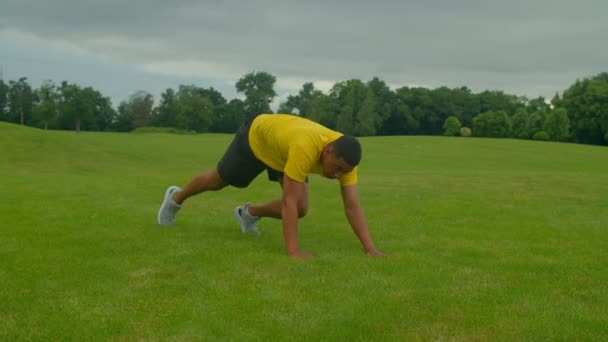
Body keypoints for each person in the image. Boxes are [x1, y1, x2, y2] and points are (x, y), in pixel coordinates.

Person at [157, 113, 384, 259]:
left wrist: (370, 248)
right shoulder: (305, 147)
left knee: (303, 208)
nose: (337, 176)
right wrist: (294, 252)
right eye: (336, 168)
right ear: (328, 151)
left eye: (342, 172)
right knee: (219, 180)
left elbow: (352, 206)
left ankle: (248, 213)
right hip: (256, 138)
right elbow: (289, 202)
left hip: (282, 152)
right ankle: (176, 198)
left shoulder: (347, 162)